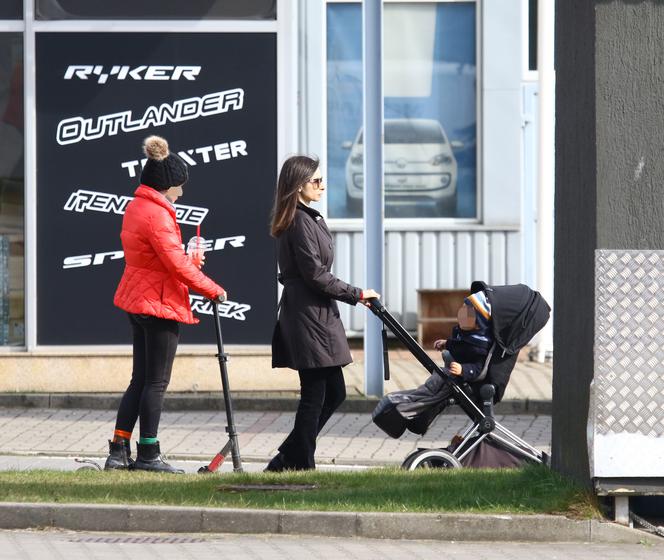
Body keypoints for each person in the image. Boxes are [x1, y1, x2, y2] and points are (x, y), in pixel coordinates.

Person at [106, 135, 227, 473]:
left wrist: (188, 258)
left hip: (138, 298)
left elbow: (160, 258)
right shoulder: (157, 214)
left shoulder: (137, 206)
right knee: (156, 382)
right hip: (156, 302)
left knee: (140, 378)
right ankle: (148, 454)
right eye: (179, 186)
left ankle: (118, 451)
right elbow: (174, 264)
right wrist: (212, 288)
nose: (182, 193)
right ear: (165, 185)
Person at [266, 155, 380, 471]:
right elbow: (315, 274)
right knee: (316, 394)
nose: (322, 186)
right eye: (316, 180)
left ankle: (289, 454)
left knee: (335, 392)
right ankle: (300, 462)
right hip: (309, 316)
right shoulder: (299, 222)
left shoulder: (307, 217)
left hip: (316, 314)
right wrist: (356, 294)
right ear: (298, 184)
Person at [372, 290, 494, 438]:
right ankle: (404, 404)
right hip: (448, 373)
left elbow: (479, 367)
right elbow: (459, 345)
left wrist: (463, 369)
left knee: (433, 394)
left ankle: (403, 410)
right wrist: (447, 343)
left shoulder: (481, 345)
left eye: (468, 312)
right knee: (428, 387)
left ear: (479, 320)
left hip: (460, 378)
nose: (462, 314)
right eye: (462, 309)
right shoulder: (467, 335)